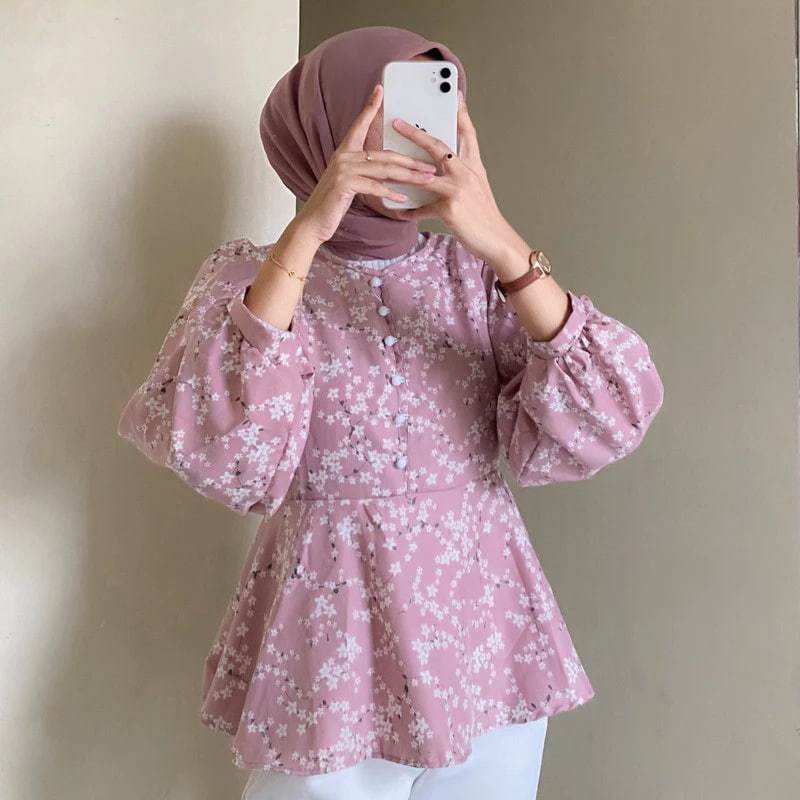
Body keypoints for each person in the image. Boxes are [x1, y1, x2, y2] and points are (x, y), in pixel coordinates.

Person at [117, 25, 665, 800]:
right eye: (386, 112)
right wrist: (311, 226)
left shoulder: (473, 275)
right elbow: (224, 451)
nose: (414, 136)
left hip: (485, 639)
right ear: (324, 128)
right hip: (330, 642)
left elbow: (613, 409)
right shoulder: (249, 279)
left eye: (434, 109)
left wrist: (500, 241)